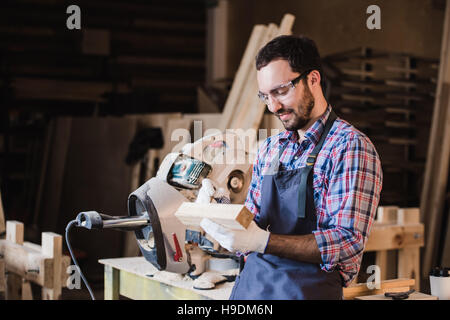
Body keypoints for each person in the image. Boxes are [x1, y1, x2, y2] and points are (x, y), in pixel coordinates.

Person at [200, 35, 383, 300]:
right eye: (265, 96)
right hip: (253, 291)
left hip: (307, 293)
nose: (274, 106)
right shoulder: (270, 149)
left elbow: (346, 242)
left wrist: (262, 241)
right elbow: (251, 224)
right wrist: (219, 211)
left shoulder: (350, 147)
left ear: (313, 79)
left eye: (281, 91)